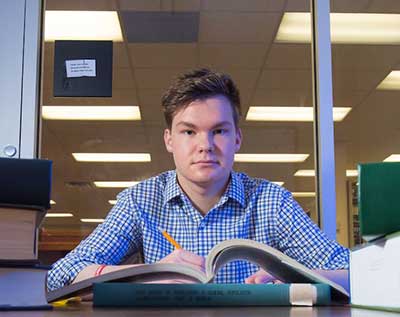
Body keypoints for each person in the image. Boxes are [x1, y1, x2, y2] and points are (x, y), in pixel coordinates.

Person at [47, 68, 349, 291]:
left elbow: (351, 272)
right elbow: (62, 272)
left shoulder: (272, 202)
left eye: (219, 131)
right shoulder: (139, 201)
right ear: (169, 140)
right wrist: (152, 272)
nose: (205, 145)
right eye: (189, 132)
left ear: (237, 139)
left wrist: (292, 277)